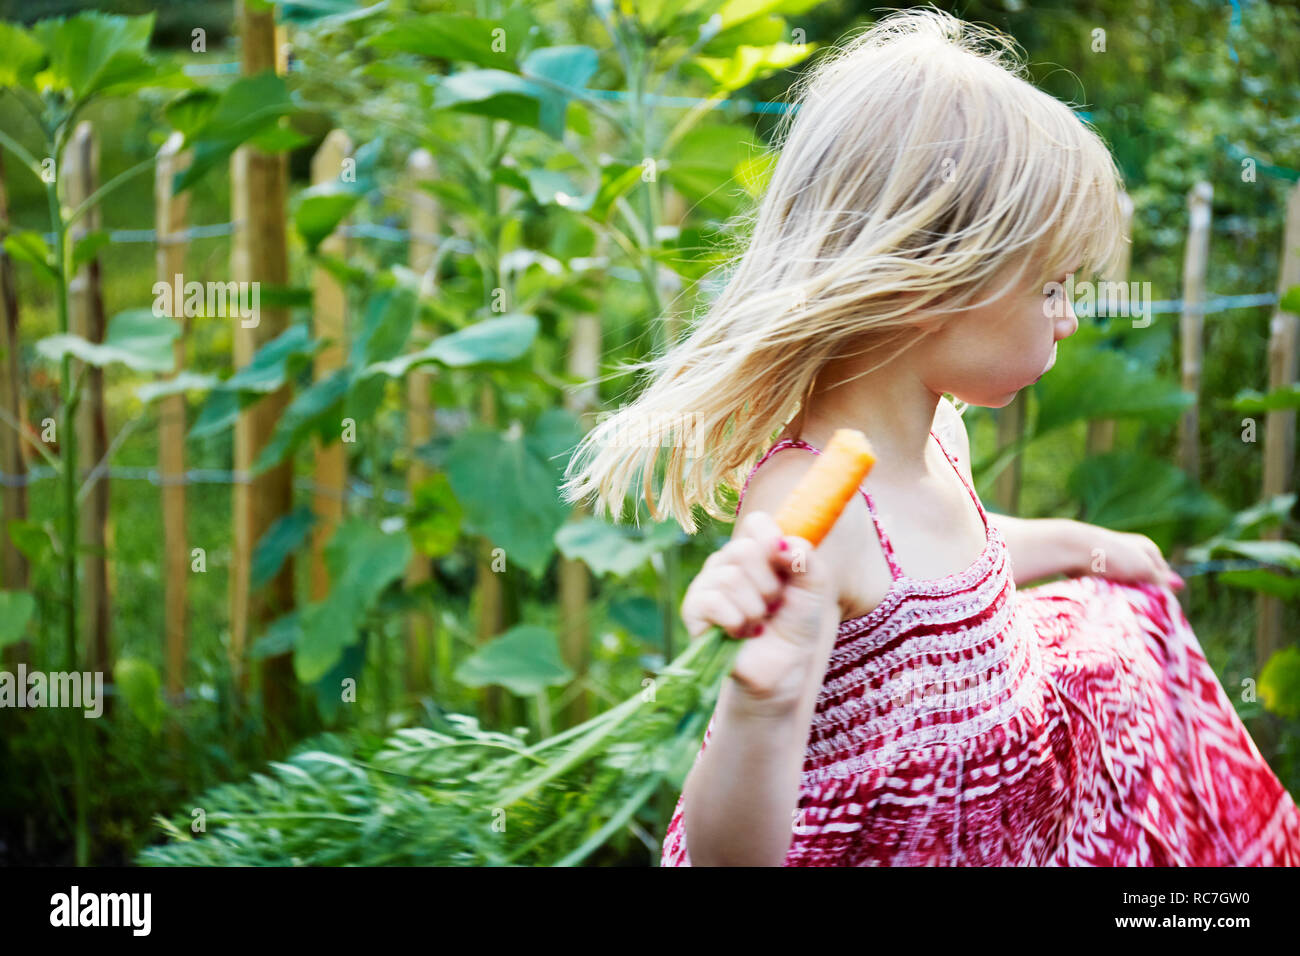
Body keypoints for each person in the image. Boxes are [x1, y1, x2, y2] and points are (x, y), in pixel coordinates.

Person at [559, 7, 1300, 865]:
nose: (1066, 321)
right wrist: (760, 705)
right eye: (1051, 288)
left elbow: (956, 567)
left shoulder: (936, 432)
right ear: (931, 284)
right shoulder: (813, 508)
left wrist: (1083, 545)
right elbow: (734, 856)